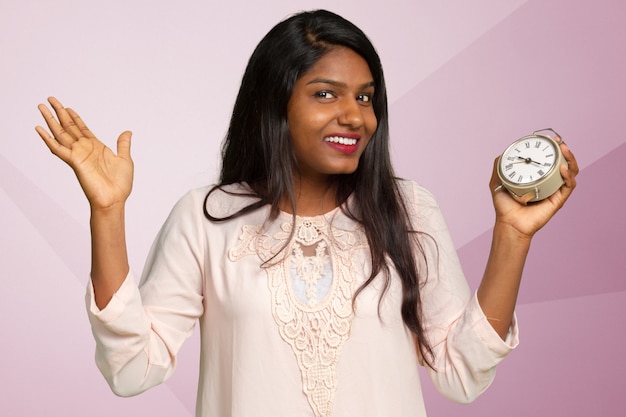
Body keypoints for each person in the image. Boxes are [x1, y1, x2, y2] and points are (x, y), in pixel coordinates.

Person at [35, 9, 578, 417]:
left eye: (366, 98)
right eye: (326, 94)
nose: (355, 116)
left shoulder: (408, 209)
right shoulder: (207, 218)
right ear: (276, 105)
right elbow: (132, 370)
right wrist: (107, 212)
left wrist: (512, 233)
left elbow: (462, 374)